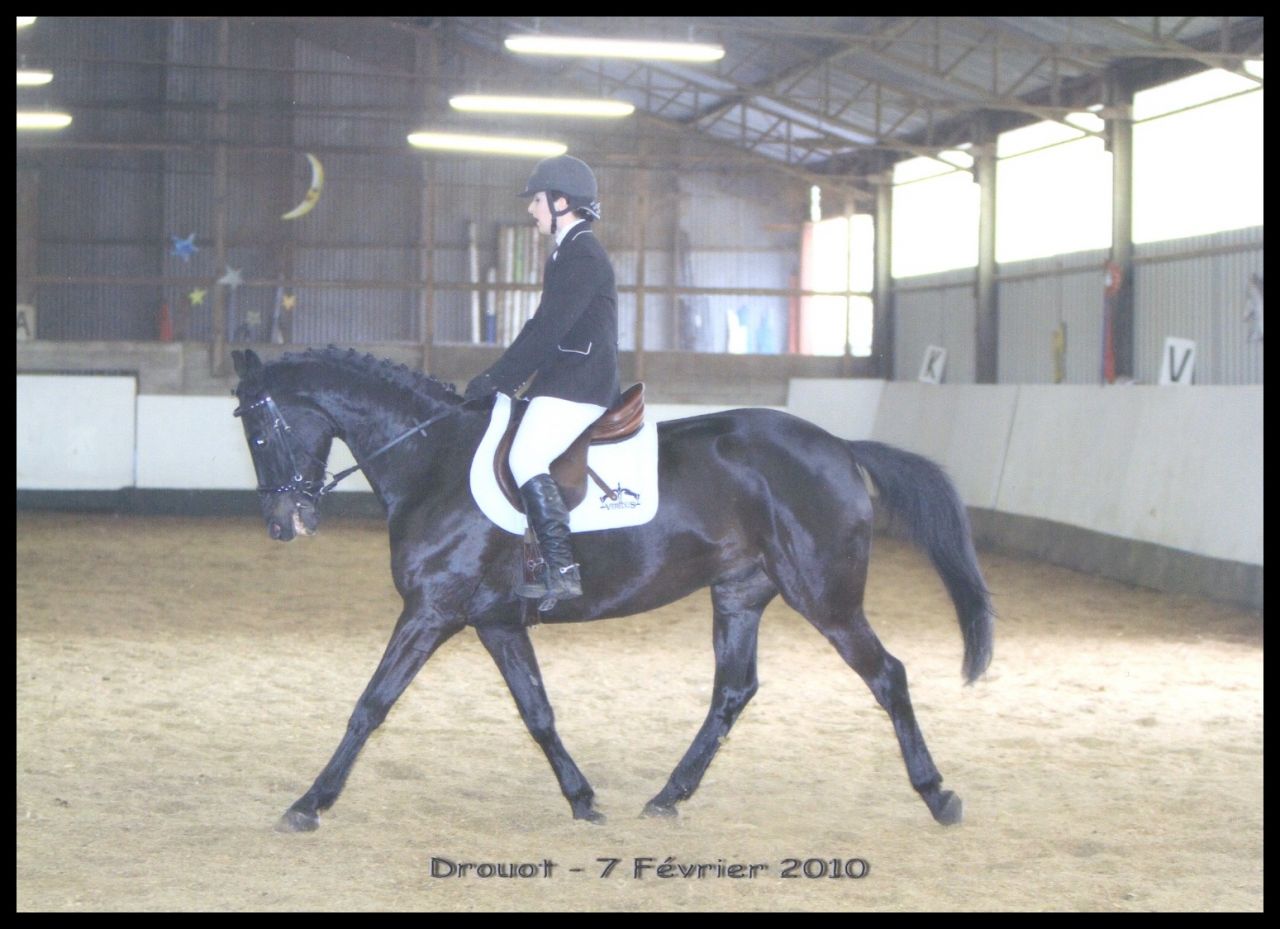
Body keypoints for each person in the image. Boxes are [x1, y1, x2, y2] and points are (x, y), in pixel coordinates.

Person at [465, 154, 620, 607]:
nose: (531, 208)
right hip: (562, 379)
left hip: (581, 381)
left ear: (561, 202)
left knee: (525, 456)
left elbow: (550, 329)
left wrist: (501, 378)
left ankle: (561, 566)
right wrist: (497, 375)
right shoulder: (565, 252)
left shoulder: (583, 254)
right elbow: (538, 326)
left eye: (537, 200)